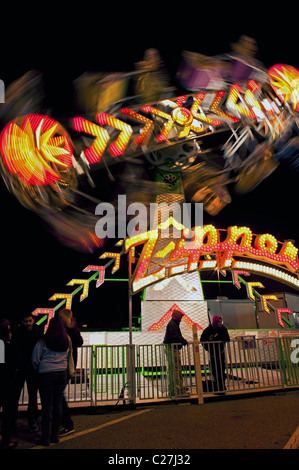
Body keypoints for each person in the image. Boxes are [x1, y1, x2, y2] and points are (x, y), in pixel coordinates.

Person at [32, 316, 74, 446]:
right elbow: (68, 357)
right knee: (58, 405)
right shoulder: (66, 340)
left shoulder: (44, 340)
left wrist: (38, 369)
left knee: (47, 406)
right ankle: (54, 436)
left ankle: (45, 437)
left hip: (46, 374)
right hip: (61, 374)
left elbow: (35, 358)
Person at [13, 313, 44, 432]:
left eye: (29, 321)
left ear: (33, 320)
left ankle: (30, 420)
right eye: (26, 321)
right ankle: (30, 421)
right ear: (22, 322)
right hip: (27, 368)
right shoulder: (38, 333)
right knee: (24, 396)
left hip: (28, 368)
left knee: (29, 396)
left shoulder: (18, 333)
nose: (28, 323)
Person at [58, 308, 83, 436]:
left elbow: (79, 342)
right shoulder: (61, 327)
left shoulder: (70, 328)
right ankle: (64, 422)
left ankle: (67, 423)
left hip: (65, 365)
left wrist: (73, 329)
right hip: (62, 365)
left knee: (58, 395)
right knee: (58, 394)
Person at [0, 318, 20, 448]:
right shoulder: (7, 345)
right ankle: (6, 440)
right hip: (7, 383)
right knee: (8, 413)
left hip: (4, 381)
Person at [200, 315, 230, 392]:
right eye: (219, 322)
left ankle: (221, 385)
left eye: (221, 321)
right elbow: (202, 339)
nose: (220, 323)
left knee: (221, 369)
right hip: (213, 353)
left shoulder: (222, 329)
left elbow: (227, 338)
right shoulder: (209, 330)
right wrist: (208, 348)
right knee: (215, 369)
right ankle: (219, 385)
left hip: (220, 352)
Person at [163, 310, 188, 396]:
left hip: (171, 348)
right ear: (177, 317)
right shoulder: (173, 324)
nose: (181, 319)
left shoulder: (172, 324)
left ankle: (174, 390)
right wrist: (184, 341)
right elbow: (176, 336)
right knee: (176, 369)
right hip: (172, 348)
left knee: (172, 369)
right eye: (180, 317)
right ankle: (178, 390)